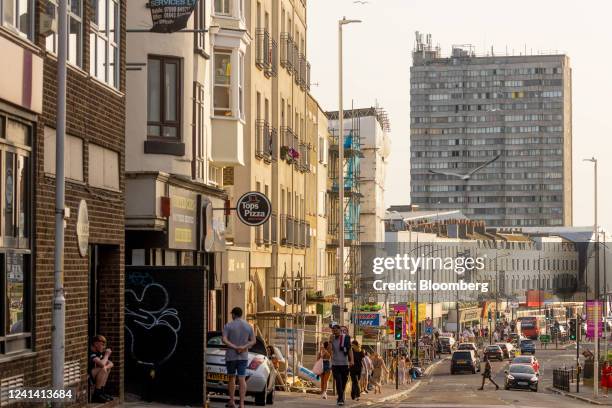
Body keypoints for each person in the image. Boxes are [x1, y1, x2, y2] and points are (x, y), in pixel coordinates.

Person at [222, 307, 256, 408]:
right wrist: (243, 347)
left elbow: (224, 339)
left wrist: (235, 347)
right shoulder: (248, 326)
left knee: (231, 378)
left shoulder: (228, 325)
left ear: (233, 314)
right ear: (241, 314)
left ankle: (232, 401)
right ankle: (242, 403)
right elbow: (253, 341)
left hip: (231, 356)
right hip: (243, 356)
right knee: (242, 379)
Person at [327, 324, 354, 406]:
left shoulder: (345, 338)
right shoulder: (332, 339)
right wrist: (330, 341)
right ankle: (341, 398)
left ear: (339, 330)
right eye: (333, 331)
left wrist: (352, 360)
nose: (335, 332)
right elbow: (330, 352)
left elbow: (349, 350)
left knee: (343, 382)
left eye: (336, 330)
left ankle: (340, 397)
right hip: (335, 364)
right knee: (338, 381)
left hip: (345, 364)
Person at [89, 335, 114, 403]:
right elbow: (102, 364)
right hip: (88, 375)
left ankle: (101, 392)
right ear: (96, 344)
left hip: (94, 374)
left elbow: (111, 363)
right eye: (102, 345)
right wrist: (106, 355)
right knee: (103, 368)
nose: (104, 347)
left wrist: (105, 367)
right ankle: (96, 395)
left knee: (106, 368)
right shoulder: (91, 352)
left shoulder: (98, 353)